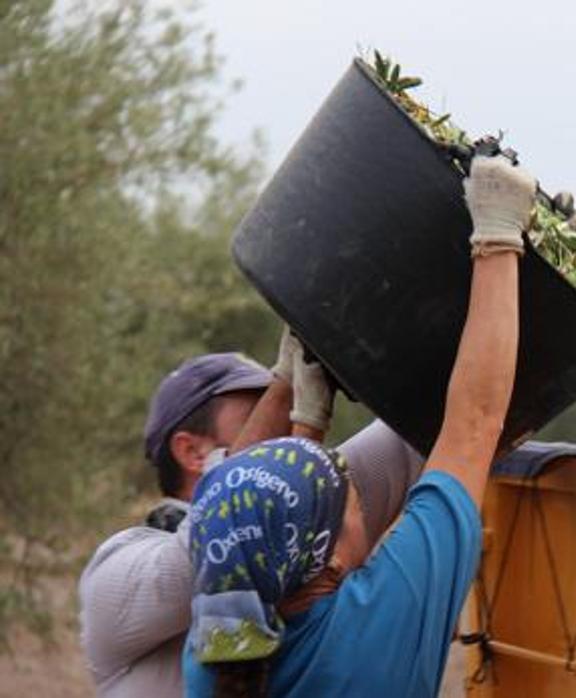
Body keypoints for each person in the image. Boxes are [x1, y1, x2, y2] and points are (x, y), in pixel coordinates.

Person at [182, 153, 531, 696]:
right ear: (334, 555)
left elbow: (239, 511)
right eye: (353, 501)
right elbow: (474, 424)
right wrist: (499, 236)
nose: (366, 505)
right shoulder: (382, 618)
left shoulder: (216, 660)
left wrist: (303, 412)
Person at [78, 336, 426, 696]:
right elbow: (226, 542)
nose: (281, 439)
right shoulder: (114, 578)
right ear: (192, 451)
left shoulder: (315, 509)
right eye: (259, 414)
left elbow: (417, 433)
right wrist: (287, 394)